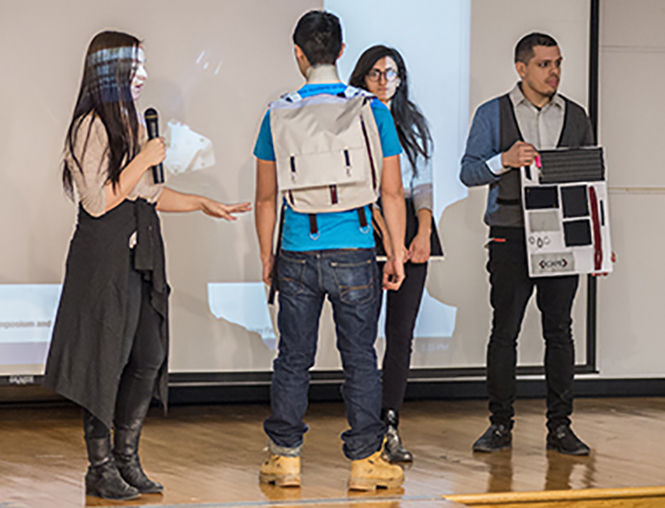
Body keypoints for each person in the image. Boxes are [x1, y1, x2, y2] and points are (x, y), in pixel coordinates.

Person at [43, 31, 250, 501]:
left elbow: (147, 193)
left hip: (140, 254)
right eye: (135, 66)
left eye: (144, 65)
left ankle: (126, 460)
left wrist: (201, 202)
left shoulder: (130, 121)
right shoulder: (90, 125)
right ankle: (99, 468)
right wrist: (142, 158)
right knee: (103, 360)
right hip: (102, 259)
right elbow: (98, 202)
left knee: (148, 355)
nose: (144, 75)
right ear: (108, 69)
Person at [254, 11, 407, 491]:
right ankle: (365, 463)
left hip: (298, 250)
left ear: (298, 53)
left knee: (292, 357)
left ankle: (285, 460)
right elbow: (393, 192)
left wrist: (266, 258)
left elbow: (265, 196)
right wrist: (397, 252)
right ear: (342, 52)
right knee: (360, 357)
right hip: (357, 249)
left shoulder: (277, 111)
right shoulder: (372, 109)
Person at [460, 32, 593, 456]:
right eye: (544, 64)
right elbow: (468, 172)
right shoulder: (492, 113)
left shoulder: (576, 116)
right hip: (510, 232)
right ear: (521, 69)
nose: (553, 72)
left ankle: (560, 427)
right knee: (506, 331)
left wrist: (596, 242)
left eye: (558, 63)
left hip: (562, 236)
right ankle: (500, 425)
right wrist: (504, 160)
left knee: (560, 331)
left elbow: (589, 182)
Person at [349, 45, 442, 464]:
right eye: (375, 74)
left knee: (400, 335)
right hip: (366, 224)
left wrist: (421, 232)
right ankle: (364, 427)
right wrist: (390, 239)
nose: (384, 81)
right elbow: (364, 188)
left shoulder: (414, 123)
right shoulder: (352, 120)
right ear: (362, 78)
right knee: (362, 336)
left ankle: (390, 424)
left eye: (391, 73)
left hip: (409, 224)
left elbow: (423, 185)